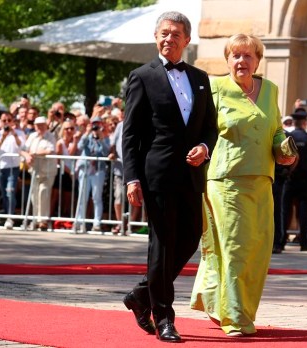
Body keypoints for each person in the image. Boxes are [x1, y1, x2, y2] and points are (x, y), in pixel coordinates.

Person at [121, 11, 218, 343]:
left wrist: (205, 147)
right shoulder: (141, 76)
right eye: (164, 33)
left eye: (176, 34)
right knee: (161, 245)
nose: (169, 39)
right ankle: (164, 317)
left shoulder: (201, 78)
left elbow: (210, 127)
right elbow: (131, 135)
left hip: (192, 175)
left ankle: (140, 294)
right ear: (156, 36)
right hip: (157, 174)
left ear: (187, 40)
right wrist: (131, 178)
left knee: (191, 237)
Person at [190, 33, 295, 337]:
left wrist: (284, 149)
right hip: (225, 180)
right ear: (228, 60)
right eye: (235, 55)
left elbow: (275, 130)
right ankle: (236, 317)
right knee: (235, 249)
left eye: (248, 56)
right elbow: (202, 129)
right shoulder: (216, 87)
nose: (241, 61)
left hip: (262, 180)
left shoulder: (270, 90)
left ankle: (217, 301)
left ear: (257, 60)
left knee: (258, 251)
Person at [282, 108, 307, 251]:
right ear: (304, 122)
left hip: (289, 178)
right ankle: (304, 242)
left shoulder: (288, 137)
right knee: (303, 212)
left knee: (285, 211)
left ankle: (280, 242)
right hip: (304, 179)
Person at [74, 116, 110, 233]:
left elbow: (105, 152)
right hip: (85, 169)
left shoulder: (105, 138)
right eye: (94, 124)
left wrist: (101, 139)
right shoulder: (87, 137)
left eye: (98, 124)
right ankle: (80, 221)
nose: (95, 127)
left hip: (98, 170)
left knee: (96, 197)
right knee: (82, 196)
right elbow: (80, 147)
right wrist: (87, 132)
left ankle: (97, 222)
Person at [20, 116, 57, 231]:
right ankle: (35, 219)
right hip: (35, 170)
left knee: (43, 192)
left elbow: (49, 150)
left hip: (47, 171)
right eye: (37, 125)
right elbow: (23, 149)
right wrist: (27, 155)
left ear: (46, 125)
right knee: (34, 195)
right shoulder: (32, 136)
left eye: (42, 124)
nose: (40, 127)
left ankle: (43, 220)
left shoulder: (51, 136)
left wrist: (34, 153)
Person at [0, 112, 26, 229]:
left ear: (12, 121)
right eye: (4, 121)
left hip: (13, 167)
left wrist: (14, 134)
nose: (6, 123)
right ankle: (7, 214)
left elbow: (22, 146)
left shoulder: (19, 133)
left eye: (9, 120)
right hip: (1, 167)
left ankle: (10, 217)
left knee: (10, 191)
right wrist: (3, 136)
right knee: (4, 193)